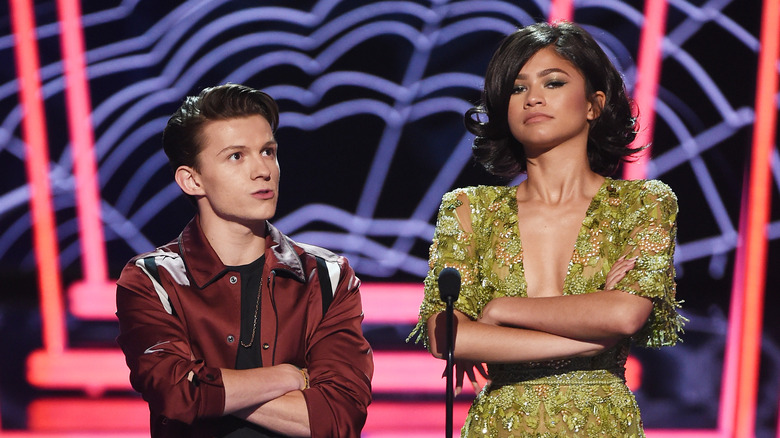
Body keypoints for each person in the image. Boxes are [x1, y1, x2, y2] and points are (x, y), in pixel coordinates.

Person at [411, 21, 684, 437]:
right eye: (517, 89)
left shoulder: (642, 203)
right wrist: (589, 339)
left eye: (553, 82)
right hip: (501, 424)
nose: (533, 98)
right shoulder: (469, 208)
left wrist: (502, 310)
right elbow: (446, 335)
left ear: (594, 104)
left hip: (601, 424)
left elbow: (626, 314)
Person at [116, 83, 373, 438]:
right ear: (191, 180)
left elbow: (337, 418)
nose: (262, 170)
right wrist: (287, 377)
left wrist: (208, 390)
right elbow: (174, 393)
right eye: (236, 156)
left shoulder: (327, 276)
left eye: (268, 151)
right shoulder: (153, 279)